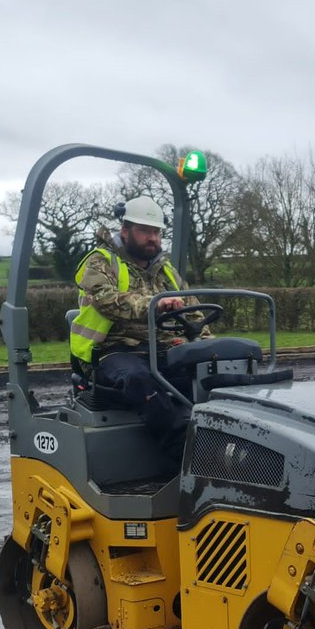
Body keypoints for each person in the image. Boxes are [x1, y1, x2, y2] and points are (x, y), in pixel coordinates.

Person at [70, 195, 202, 458]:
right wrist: (154, 305)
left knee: (212, 371)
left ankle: (223, 440)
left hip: (161, 350)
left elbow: (193, 312)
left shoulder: (166, 271)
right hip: (112, 351)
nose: (152, 238)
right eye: (144, 231)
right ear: (125, 230)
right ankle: (182, 453)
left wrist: (207, 347)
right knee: (139, 379)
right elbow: (106, 300)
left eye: (156, 232)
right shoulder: (101, 262)